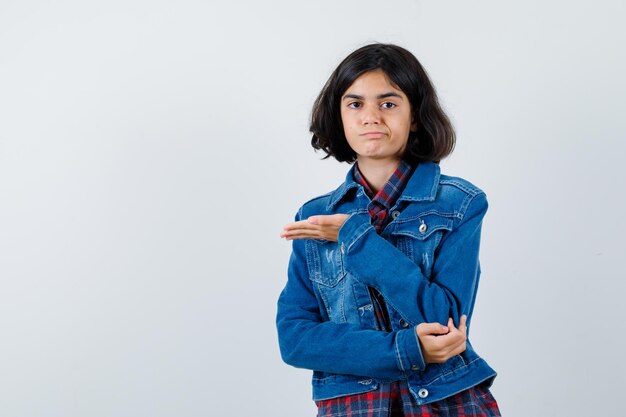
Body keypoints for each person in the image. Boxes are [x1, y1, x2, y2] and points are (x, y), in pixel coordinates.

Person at [277, 43, 500, 417]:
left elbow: (446, 321)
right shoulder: (314, 216)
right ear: (339, 116)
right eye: (355, 104)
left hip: (446, 405)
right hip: (353, 408)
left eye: (388, 103)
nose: (371, 117)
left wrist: (355, 238)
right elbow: (296, 339)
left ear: (414, 115)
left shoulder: (459, 204)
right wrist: (406, 350)